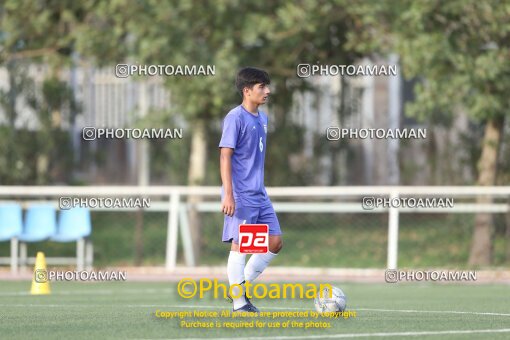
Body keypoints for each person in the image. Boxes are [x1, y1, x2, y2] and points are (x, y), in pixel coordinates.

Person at [219, 67, 283, 312]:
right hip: (241, 194)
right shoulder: (234, 117)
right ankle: (239, 303)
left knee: (275, 242)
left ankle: (238, 285)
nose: (267, 91)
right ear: (247, 91)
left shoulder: (263, 118)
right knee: (241, 246)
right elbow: (225, 156)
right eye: (261, 87)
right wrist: (228, 194)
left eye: (267, 86)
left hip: (259, 194)